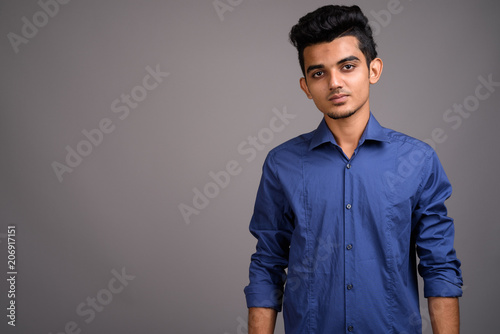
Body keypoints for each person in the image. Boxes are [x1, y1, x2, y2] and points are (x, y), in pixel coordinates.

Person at [244, 5, 463, 334]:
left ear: (373, 70)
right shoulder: (282, 164)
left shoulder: (417, 161)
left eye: (348, 66)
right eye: (319, 73)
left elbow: (439, 266)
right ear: (305, 86)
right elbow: (267, 265)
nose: (334, 82)